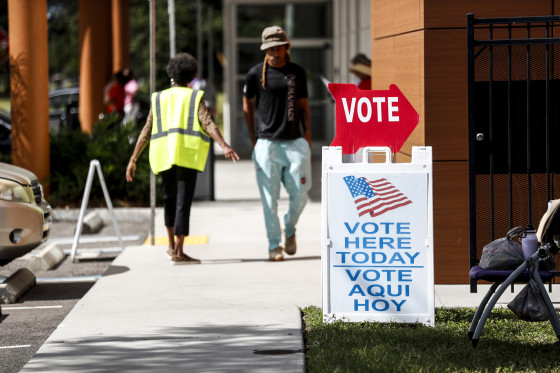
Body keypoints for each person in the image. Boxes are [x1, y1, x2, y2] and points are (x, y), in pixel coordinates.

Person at [126, 52, 240, 264]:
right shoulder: (194, 97)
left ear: (171, 75)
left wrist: (133, 158)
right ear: (191, 76)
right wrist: (223, 145)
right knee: (182, 203)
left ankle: (170, 246)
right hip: (187, 157)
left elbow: (146, 130)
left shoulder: (158, 98)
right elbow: (208, 123)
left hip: (163, 156)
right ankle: (179, 251)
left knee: (169, 200)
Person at [242, 25, 312, 262]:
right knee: (269, 200)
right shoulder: (255, 74)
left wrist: (308, 137)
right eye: (269, 47)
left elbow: (303, 106)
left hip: (294, 143)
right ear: (265, 49)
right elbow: (247, 104)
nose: (273, 51)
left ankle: (289, 228)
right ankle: (274, 245)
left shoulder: (297, 73)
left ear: (285, 47)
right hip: (267, 145)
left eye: (277, 46)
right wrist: (254, 138)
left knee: (302, 193)